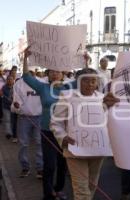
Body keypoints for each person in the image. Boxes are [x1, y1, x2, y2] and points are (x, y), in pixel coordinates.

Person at [22, 47, 79, 200]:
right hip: (47, 131)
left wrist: (86, 61)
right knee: (49, 165)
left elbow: (84, 79)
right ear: (48, 74)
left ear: (62, 74)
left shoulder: (69, 87)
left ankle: (59, 189)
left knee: (62, 164)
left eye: (58, 71)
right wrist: (25, 59)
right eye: (51, 71)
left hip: (65, 132)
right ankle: (48, 194)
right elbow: (27, 77)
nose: (55, 73)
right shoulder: (43, 87)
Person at [50, 68, 115, 200]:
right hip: (75, 150)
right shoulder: (67, 96)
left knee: (92, 185)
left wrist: (112, 106)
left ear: (97, 83)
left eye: (93, 81)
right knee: (81, 190)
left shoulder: (102, 98)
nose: (90, 84)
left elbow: (107, 120)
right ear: (78, 82)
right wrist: (63, 137)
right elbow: (55, 123)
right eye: (86, 81)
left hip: (98, 151)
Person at [11, 69, 43, 178]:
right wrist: (16, 106)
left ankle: (40, 168)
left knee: (39, 142)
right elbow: (16, 101)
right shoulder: (18, 84)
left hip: (39, 118)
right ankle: (25, 167)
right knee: (23, 143)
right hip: (24, 118)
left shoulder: (41, 82)